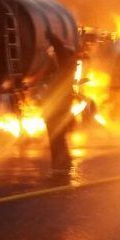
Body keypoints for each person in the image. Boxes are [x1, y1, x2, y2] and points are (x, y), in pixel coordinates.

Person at [43, 31, 79, 173]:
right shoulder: (66, 69)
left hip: (58, 109)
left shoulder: (67, 66)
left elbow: (60, 51)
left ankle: (61, 165)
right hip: (58, 108)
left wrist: (52, 37)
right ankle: (62, 164)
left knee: (56, 138)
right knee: (57, 138)